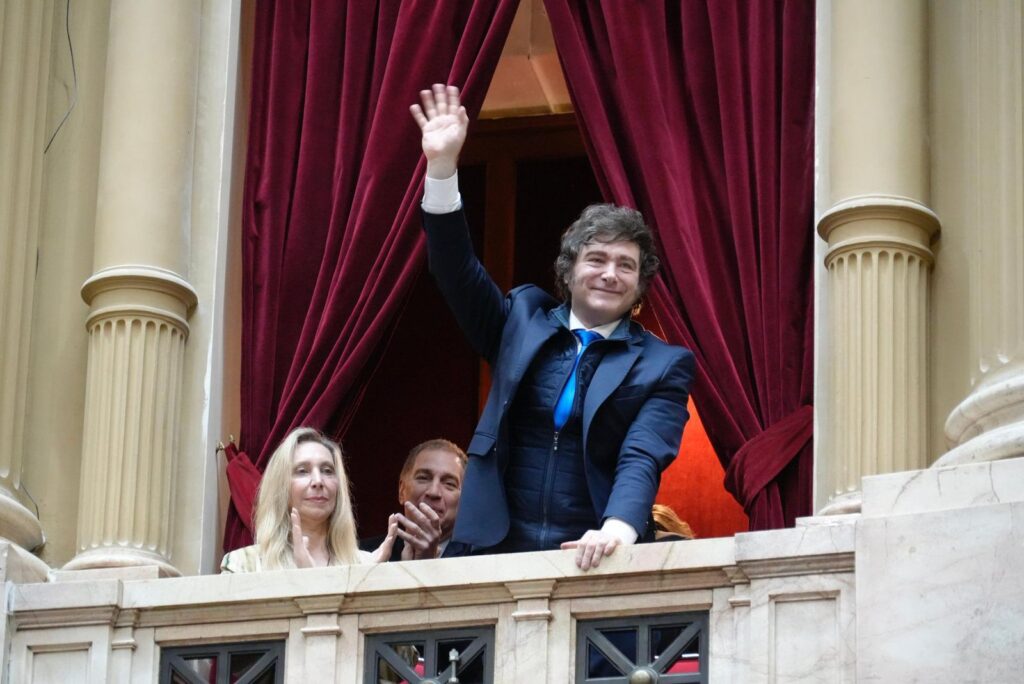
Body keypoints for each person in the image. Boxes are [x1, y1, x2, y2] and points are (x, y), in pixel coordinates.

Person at [410, 84, 696, 571]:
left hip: (591, 558)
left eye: (626, 265)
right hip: (491, 554)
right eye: (597, 259)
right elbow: (456, 272)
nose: (610, 273)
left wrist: (617, 530)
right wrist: (441, 168)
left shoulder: (663, 364)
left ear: (640, 286)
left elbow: (642, 455)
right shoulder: (521, 321)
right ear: (569, 270)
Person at [221, 427, 397, 572]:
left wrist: (368, 580)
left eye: (327, 471)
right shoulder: (243, 565)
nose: (318, 481)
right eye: (302, 471)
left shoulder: (366, 565)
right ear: (280, 487)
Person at [360, 438, 471, 560]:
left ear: (464, 500)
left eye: (449, 484)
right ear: (402, 491)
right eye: (423, 478)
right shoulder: (361, 556)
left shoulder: (481, 559)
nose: (434, 492)